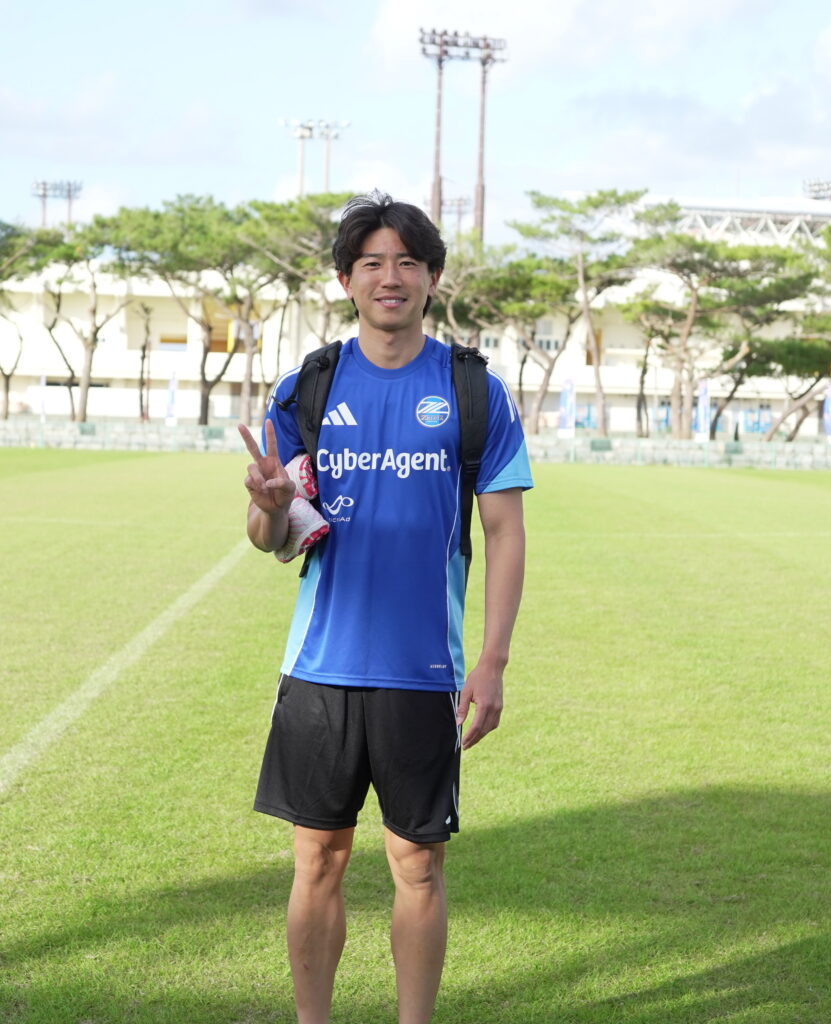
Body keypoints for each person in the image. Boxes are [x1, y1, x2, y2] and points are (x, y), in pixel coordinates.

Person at [238, 191, 530, 1024]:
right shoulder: (308, 389)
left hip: (423, 669)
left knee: (419, 867)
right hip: (320, 665)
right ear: (346, 280)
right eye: (371, 262)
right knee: (317, 862)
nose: (389, 277)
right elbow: (273, 539)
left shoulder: (474, 391)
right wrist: (267, 504)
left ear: (432, 277)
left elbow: (504, 532)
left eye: (407, 261)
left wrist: (493, 662)